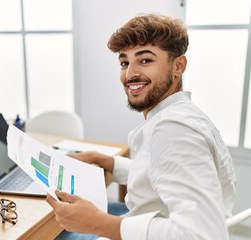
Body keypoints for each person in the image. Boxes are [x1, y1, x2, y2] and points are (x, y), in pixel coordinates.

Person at [46, 13, 236, 240]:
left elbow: (204, 235)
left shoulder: (174, 130)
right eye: (125, 62)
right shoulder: (180, 115)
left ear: (179, 66)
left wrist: (98, 223)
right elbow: (159, 174)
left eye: (145, 60)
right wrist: (107, 161)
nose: (130, 74)